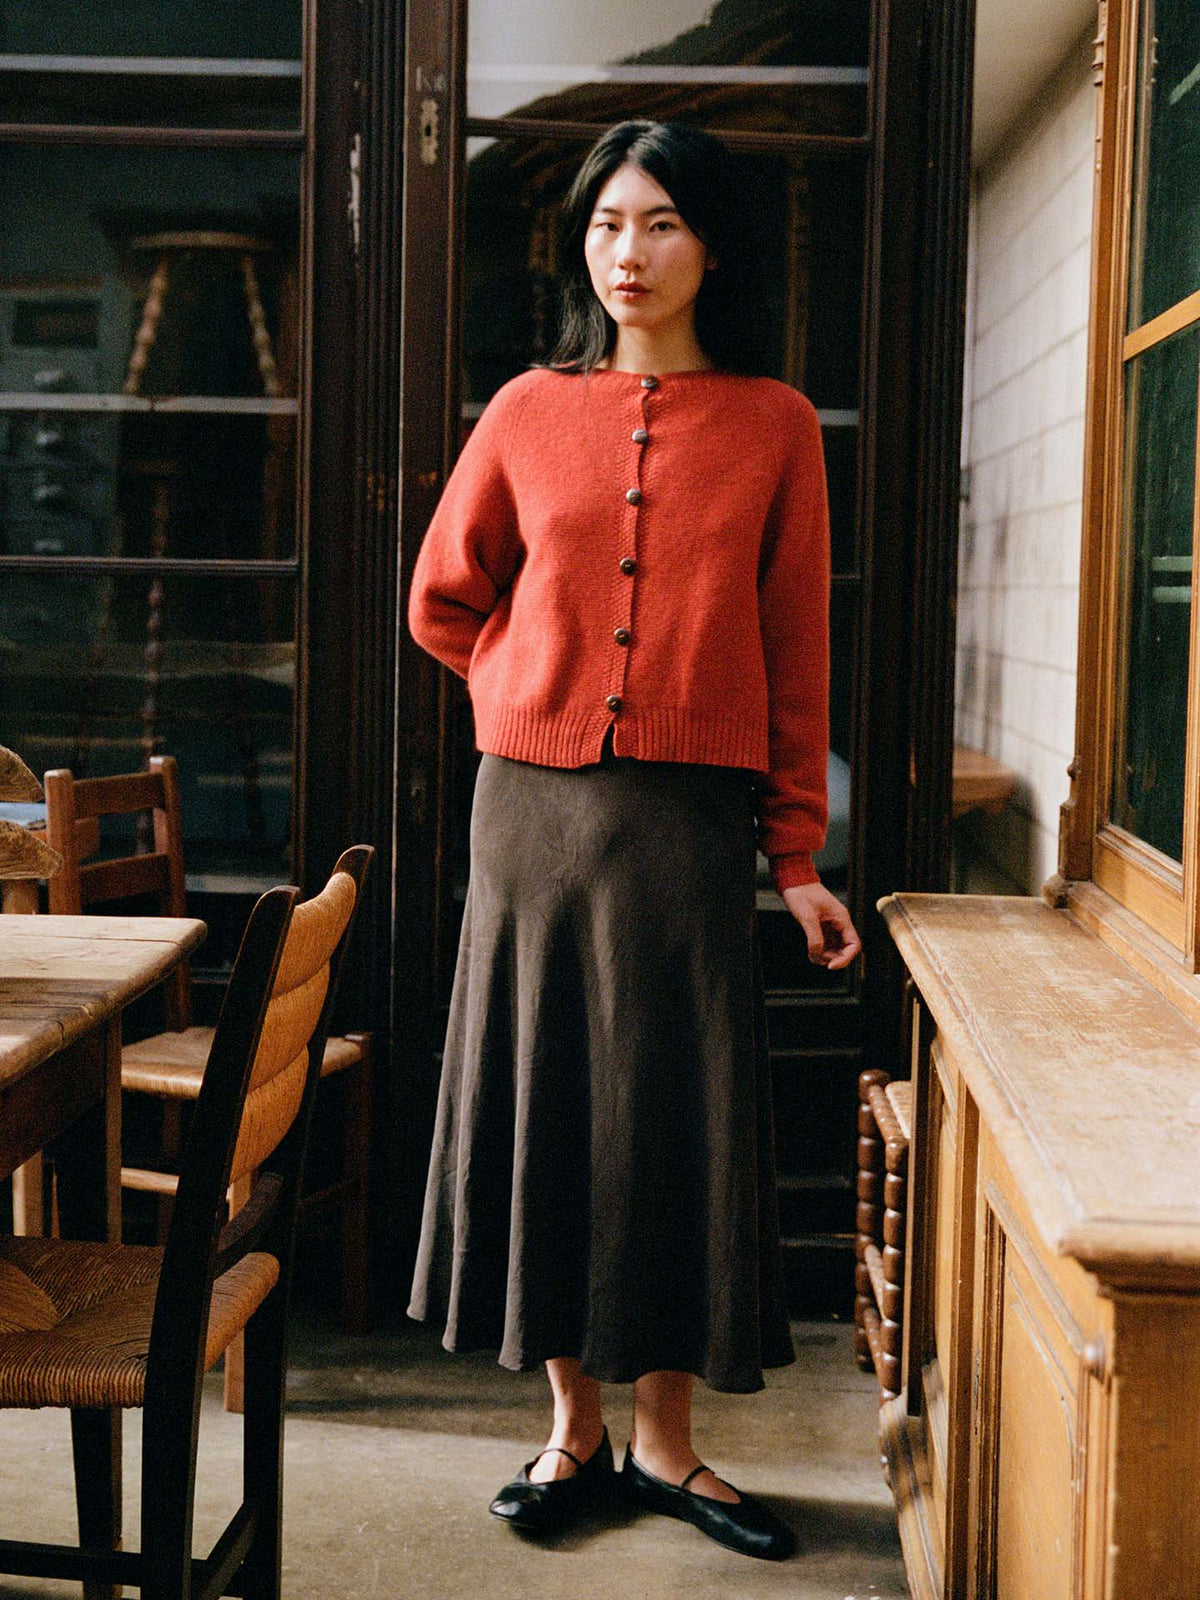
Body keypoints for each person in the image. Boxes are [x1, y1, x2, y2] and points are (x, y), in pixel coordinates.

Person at [405, 117, 862, 1562]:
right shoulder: (525, 411)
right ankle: (572, 1431)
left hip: (685, 824)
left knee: (671, 1114)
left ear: (711, 248)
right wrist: (525, 688)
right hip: (532, 815)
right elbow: (443, 599)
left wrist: (796, 858)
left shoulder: (775, 424)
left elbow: (795, 652)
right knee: (548, 1098)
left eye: (660, 223)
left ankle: (667, 1445)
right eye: (608, 223)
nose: (630, 252)